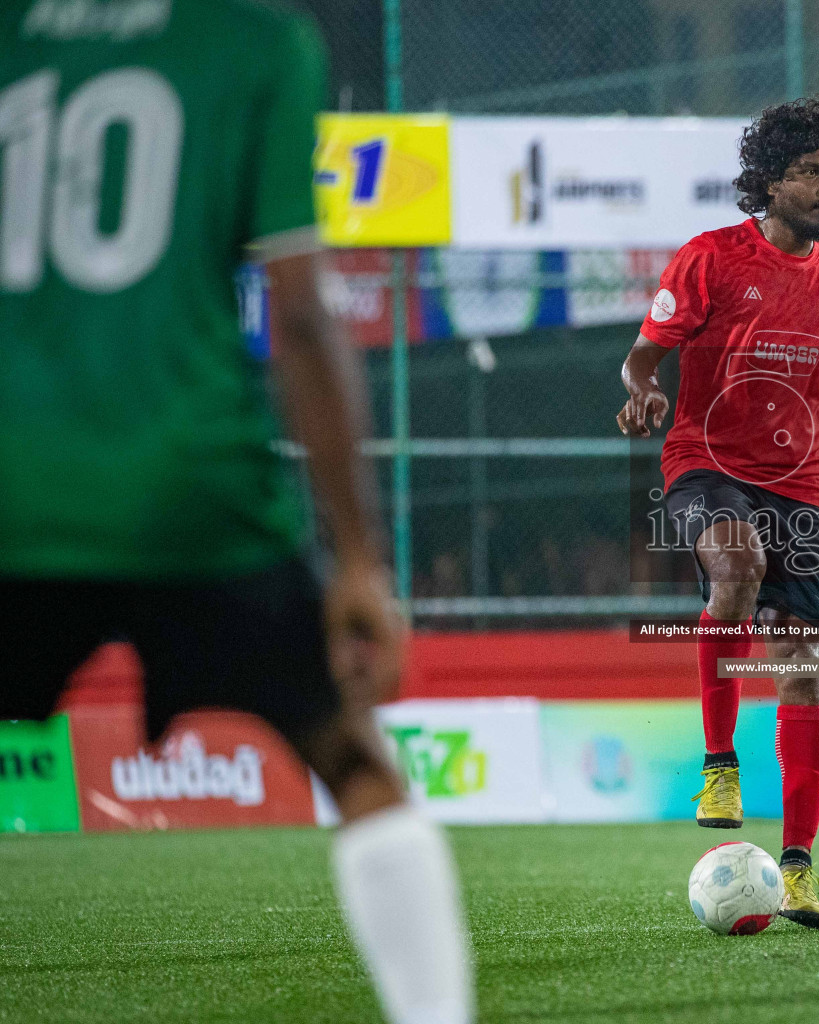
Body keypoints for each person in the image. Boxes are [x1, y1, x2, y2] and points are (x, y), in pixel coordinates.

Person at [0, 3, 474, 1021]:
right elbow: (301, 315)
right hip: (194, 489)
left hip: (15, 489)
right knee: (351, 758)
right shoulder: (254, 39)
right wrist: (356, 556)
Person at [616, 96, 819, 930]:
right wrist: (645, 389)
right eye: (810, 172)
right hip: (706, 463)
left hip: (798, 483)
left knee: (803, 667)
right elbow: (642, 358)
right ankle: (719, 763)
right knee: (736, 565)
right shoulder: (709, 260)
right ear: (768, 181)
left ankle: (796, 869)